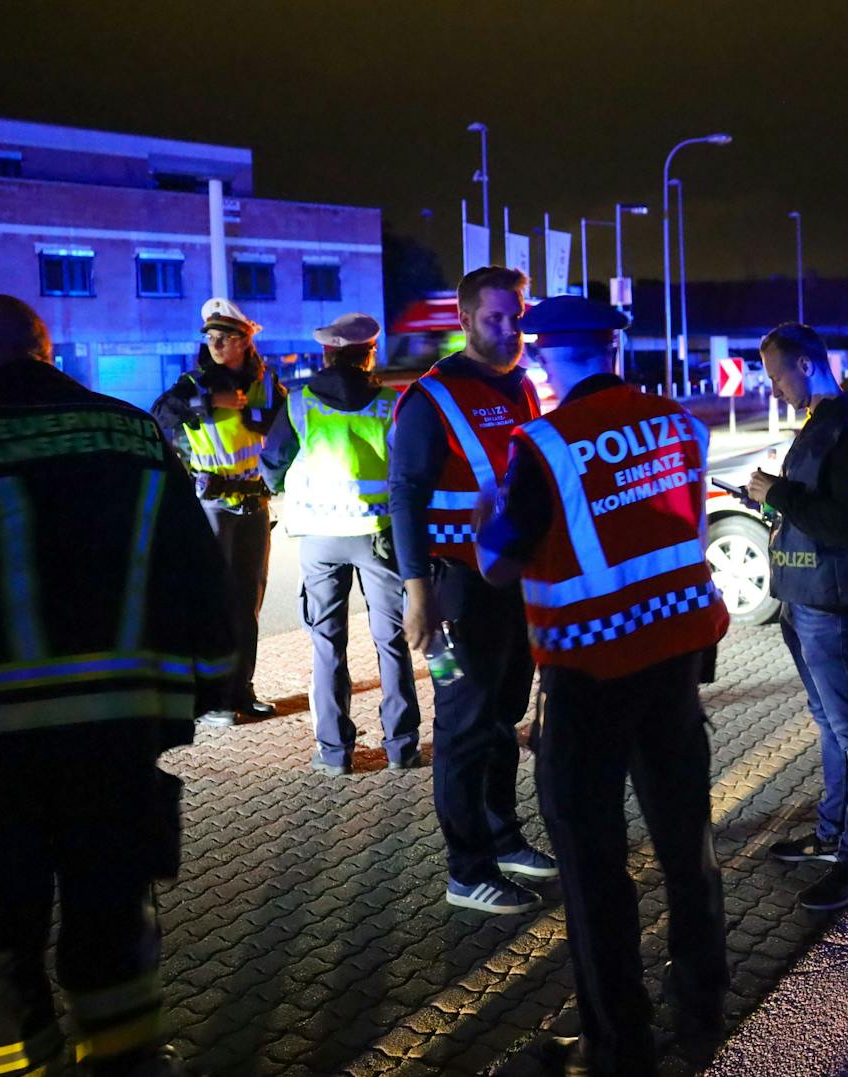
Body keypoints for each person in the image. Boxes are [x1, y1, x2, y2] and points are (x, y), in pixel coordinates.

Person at [0, 294, 236, 1077]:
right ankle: (128, 1063)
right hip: (117, 727)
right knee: (111, 910)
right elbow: (195, 568)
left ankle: (16, 1064)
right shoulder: (130, 431)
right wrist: (209, 686)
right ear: (44, 347)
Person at [476, 295, 730, 1077]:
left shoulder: (546, 443)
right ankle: (702, 1006)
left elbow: (500, 561)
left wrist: (491, 512)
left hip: (589, 673)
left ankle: (617, 1046)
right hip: (677, 658)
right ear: (611, 350)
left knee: (593, 863)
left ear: (547, 356)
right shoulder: (681, 423)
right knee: (687, 843)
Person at [388, 266, 557, 914]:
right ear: (463, 320)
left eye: (517, 314)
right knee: (463, 726)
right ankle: (467, 869)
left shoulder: (521, 385)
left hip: (508, 584)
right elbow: (406, 497)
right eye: (495, 317)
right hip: (455, 589)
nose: (511, 327)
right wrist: (417, 591)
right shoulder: (434, 398)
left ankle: (501, 835)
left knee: (501, 717)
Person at [746, 322, 848, 911]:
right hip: (805, 598)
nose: (775, 388)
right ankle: (834, 838)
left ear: (807, 364)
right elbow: (818, 512)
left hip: (835, 605)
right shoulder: (823, 423)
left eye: (778, 375)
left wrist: (778, 495)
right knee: (832, 724)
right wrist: (772, 501)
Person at [260, 312, 422, 775]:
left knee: (327, 643)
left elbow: (273, 460)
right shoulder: (392, 403)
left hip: (318, 538)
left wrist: (279, 490)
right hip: (377, 537)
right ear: (369, 353)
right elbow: (409, 470)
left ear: (328, 354)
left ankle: (335, 753)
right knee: (391, 641)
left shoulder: (299, 403)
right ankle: (401, 748)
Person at [151, 297, 286, 727]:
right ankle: (212, 700)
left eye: (225, 337)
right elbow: (159, 415)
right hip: (213, 505)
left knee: (248, 604)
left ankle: (241, 691)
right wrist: (209, 404)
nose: (216, 343)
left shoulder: (268, 383)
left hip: (255, 503)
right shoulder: (193, 384)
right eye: (210, 336)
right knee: (214, 603)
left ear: (245, 341)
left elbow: (287, 433)